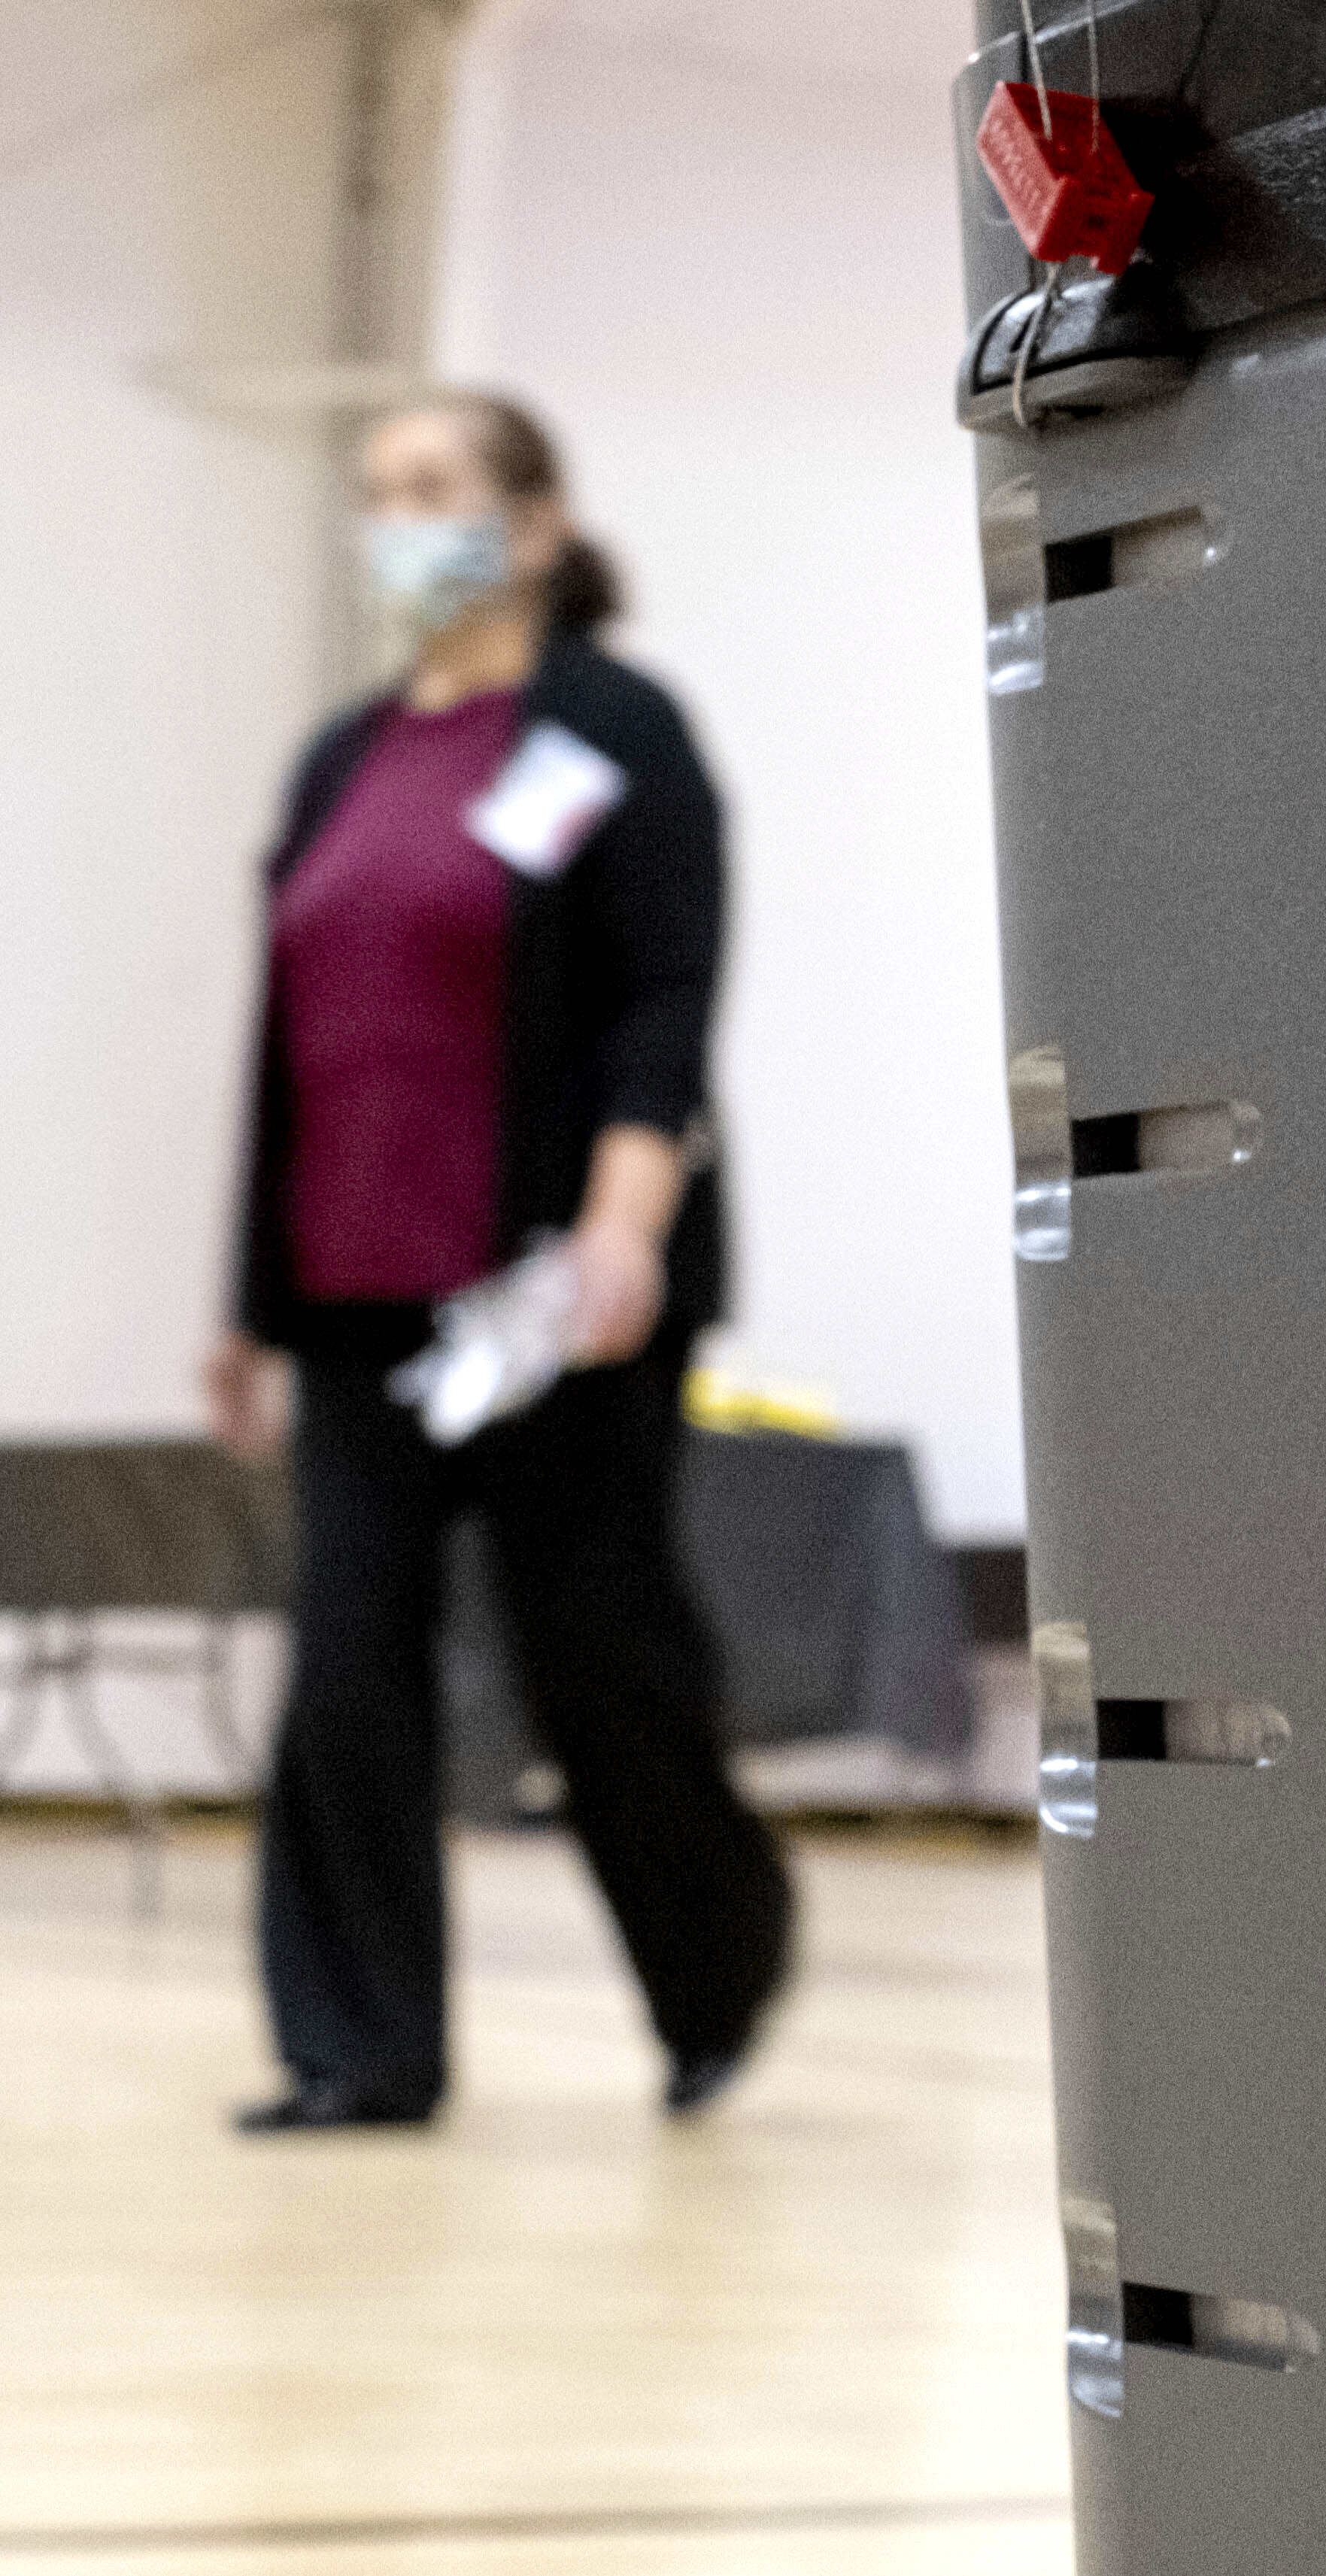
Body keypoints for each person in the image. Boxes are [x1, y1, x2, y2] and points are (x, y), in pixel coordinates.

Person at [206, 391, 792, 2133]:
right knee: (345, 1659)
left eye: (438, 489)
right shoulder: (343, 756)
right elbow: (292, 1042)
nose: (403, 521)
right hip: (353, 1296)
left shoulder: (616, 727)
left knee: (597, 1654)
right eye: (380, 494)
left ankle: (717, 1962)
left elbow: (661, 1001)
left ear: (534, 523)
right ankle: (363, 2047)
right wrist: (248, 1311)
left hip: (555, 1299)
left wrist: (619, 1229)